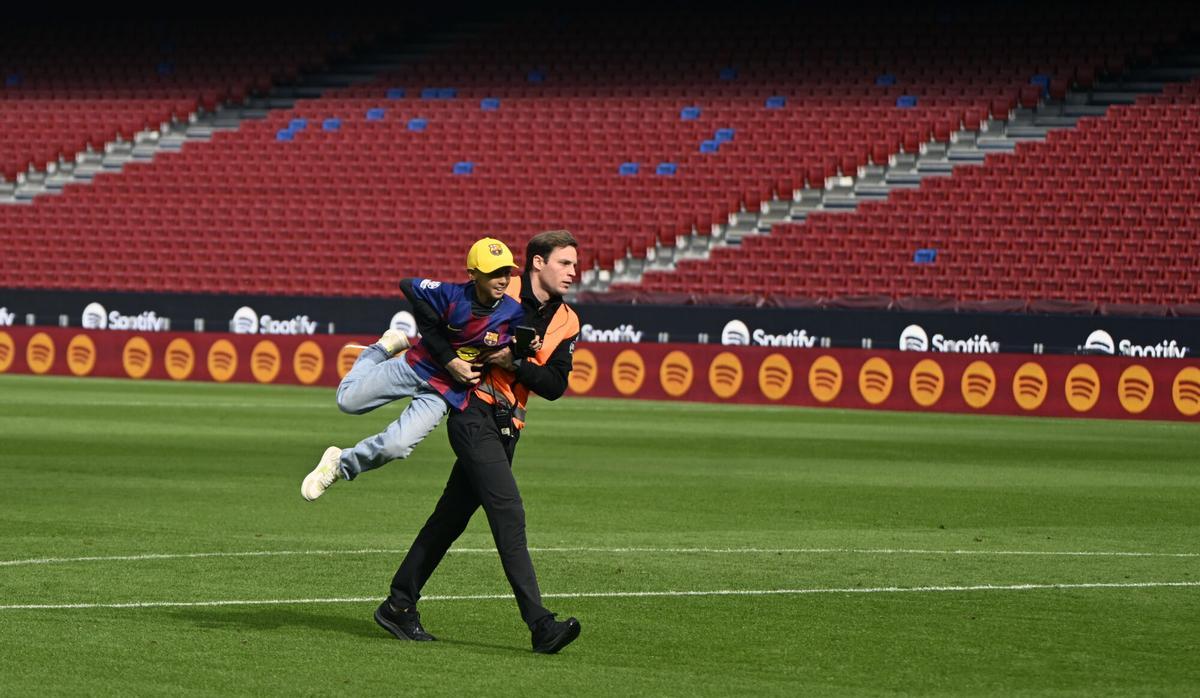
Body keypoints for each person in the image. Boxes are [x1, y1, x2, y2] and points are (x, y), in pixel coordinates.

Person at [373, 230, 584, 654]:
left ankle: (398, 604)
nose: (573, 272)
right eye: (565, 263)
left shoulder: (568, 321)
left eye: (574, 265)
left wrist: (515, 363)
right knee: (509, 512)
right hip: (473, 413)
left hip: (508, 427)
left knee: (449, 519)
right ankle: (540, 625)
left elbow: (555, 385)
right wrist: (450, 360)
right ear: (538, 263)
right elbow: (436, 316)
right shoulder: (498, 287)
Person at [301, 238, 524, 501]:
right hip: (415, 366)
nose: (502, 279)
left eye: (506, 272)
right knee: (347, 401)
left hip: (444, 393)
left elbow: (520, 351)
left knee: (397, 446)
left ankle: (340, 464)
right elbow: (408, 285)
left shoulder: (513, 313)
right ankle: (381, 349)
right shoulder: (451, 295)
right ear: (473, 274)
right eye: (494, 273)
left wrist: (519, 351)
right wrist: (449, 358)